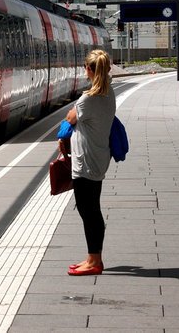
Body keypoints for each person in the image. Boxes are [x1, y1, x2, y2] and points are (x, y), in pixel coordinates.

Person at [63, 48, 116, 276]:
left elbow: (70, 117)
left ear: (89, 70)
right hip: (98, 157)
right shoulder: (108, 93)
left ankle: (94, 261)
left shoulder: (88, 99)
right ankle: (92, 257)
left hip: (85, 163)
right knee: (91, 209)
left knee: (89, 210)